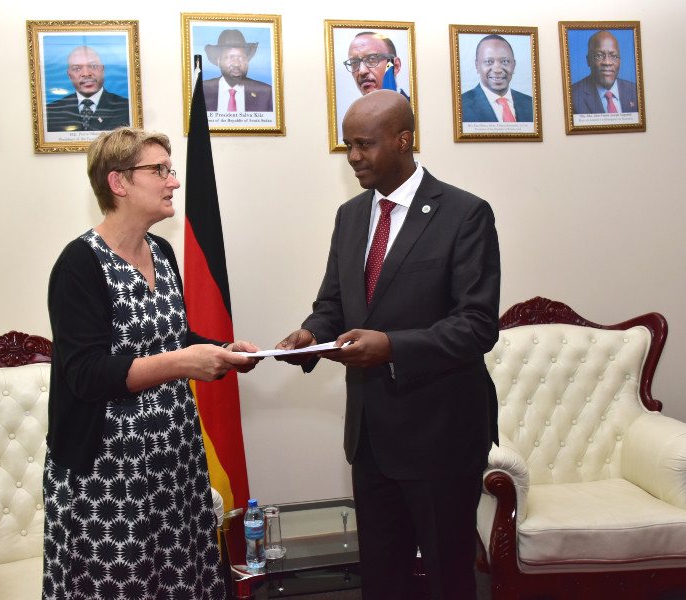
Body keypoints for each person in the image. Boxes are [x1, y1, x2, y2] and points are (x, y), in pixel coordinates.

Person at [277, 90, 500, 600]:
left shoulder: (465, 214)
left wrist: (392, 346)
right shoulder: (350, 216)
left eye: (364, 144)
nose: (353, 156)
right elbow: (334, 302)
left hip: (441, 436)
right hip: (371, 438)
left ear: (404, 140)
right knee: (381, 578)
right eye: (347, 145)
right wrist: (312, 333)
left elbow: (477, 325)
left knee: (448, 579)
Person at [42, 126, 260, 600]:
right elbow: (86, 374)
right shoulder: (79, 264)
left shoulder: (161, 252)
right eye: (158, 170)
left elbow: (172, 338)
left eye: (170, 169)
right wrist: (184, 362)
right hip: (109, 477)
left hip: (175, 464)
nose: (173, 181)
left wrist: (222, 351)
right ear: (118, 182)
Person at [45, 46, 130, 132]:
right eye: (77, 68)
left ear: (103, 69)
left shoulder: (127, 108)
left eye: (93, 66)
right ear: (69, 75)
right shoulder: (51, 112)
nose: (86, 74)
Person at [461, 34, 533, 123]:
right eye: (489, 62)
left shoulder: (531, 104)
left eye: (505, 61)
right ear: (477, 66)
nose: (497, 70)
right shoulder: (461, 105)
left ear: (514, 65)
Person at [202, 29, 273, 112]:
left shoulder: (266, 93)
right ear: (219, 61)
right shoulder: (203, 90)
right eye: (230, 57)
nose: (236, 64)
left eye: (241, 58)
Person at [571, 30, 639, 115]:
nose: (607, 62)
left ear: (620, 61)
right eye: (599, 56)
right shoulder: (572, 96)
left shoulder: (636, 91)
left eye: (614, 56)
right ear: (589, 60)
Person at [344, 32, 410, 100]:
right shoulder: (354, 110)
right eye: (354, 63)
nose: (362, 71)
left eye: (372, 59)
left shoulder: (415, 109)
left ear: (395, 66)